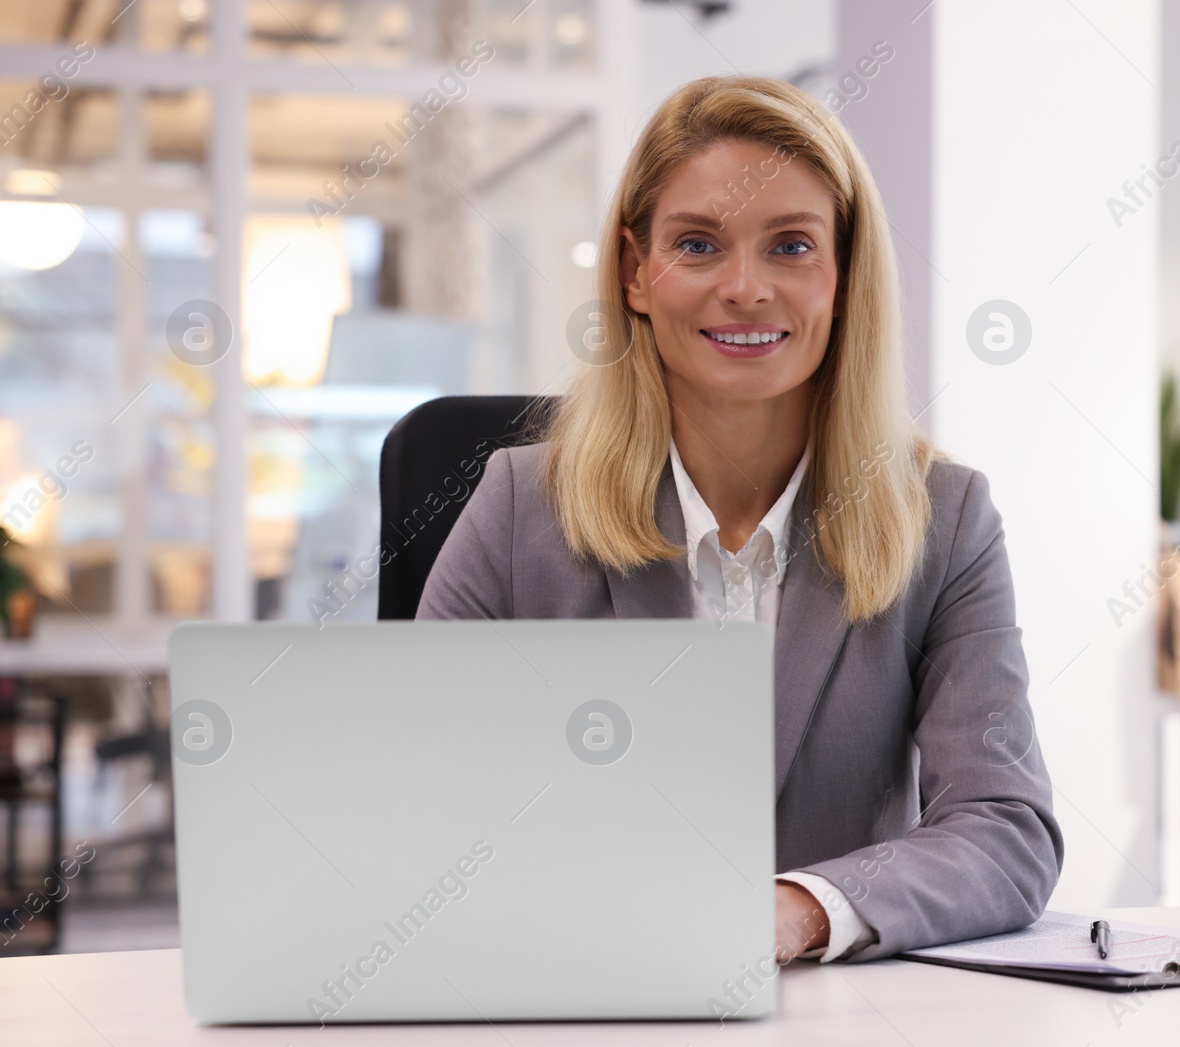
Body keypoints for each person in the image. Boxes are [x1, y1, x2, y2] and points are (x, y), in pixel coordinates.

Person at [418, 73, 1062, 964]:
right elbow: (422, 805)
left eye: (792, 246)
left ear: (844, 278)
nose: (747, 288)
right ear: (635, 273)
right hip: (576, 1004)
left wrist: (798, 909)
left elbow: (1005, 827)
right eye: (698, 244)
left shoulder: (943, 518)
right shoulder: (520, 507)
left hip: (840, 1018)